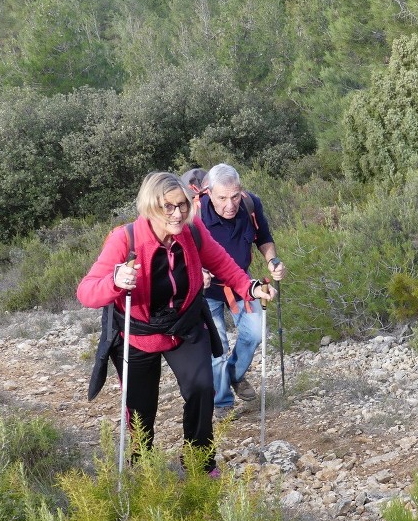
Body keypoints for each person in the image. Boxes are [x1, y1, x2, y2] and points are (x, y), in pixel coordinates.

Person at [79, 171, 276, 473]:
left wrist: (249, 287)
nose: (177, 212)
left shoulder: (193, 231)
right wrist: (115, 280)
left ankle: (199, 460)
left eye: (182, 204)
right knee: (141, 407)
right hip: (138, 333)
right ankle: (142, 459)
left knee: (201, 389)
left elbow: (224, 265)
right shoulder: (126, 239)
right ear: (150, 207)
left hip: (185, 325)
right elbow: (87, 292)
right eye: (167, 206)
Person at [194, 163, 286, 420]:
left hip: (241, 284)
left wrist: (272, 261)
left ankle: (234, 374)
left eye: (235, 196)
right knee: (217, 345)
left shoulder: (250, 205)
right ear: (208, 193)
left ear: (241, 191)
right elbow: (181, 250)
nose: (230, 204)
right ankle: (222, 402)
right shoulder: (195, 214)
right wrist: (196, 271)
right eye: (222, 198)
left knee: (255, 332)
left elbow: (264, 237)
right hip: (207, 292)